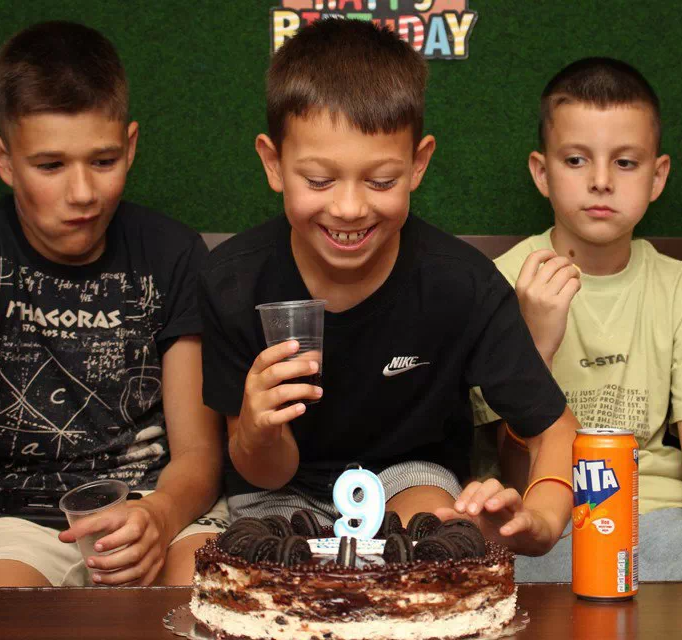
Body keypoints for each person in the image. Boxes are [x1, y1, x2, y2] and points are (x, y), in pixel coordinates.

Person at [199, 18, 577, 556]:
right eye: (319, 180)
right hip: (276, 491)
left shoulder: (462, 285)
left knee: (430, 534)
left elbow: (555, 429)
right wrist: (258, 430)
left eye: (381, 181)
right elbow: (265, 470)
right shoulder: (233, 283)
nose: (349, 208)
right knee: (260, 563)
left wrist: (540, 522)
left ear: (418, 164)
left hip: (410, 477)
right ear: (273, 163)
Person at [0, 21, 226, 587]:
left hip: (159, 503)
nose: (82, 193)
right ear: (3, 159)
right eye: (50, 166)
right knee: (0, 606)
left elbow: (199, 455)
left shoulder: (173, 253)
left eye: (103, 161)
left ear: (130, 146)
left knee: (210, 594)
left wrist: (160, 515)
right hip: (11, 513)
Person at [472, 58, 682, 581]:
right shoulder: (498, 283)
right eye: (576, 160)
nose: (600, 182)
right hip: (544, 521)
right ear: (542, 173)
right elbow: (511, 467)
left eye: (625, 162)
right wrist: (536, 347)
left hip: (656, 516)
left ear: (657, 176)